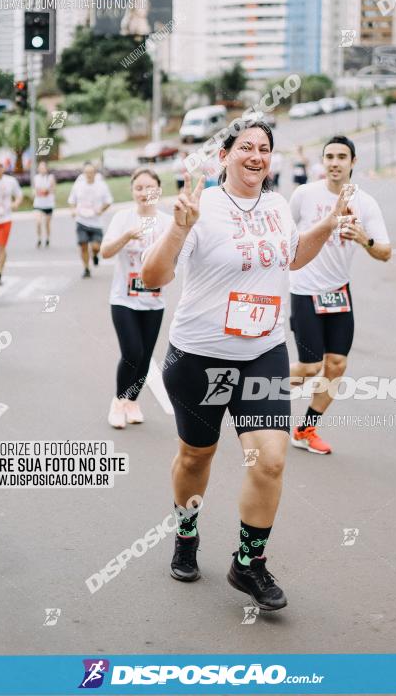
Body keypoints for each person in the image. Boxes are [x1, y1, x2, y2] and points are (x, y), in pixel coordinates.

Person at [142, 120, 350, 611]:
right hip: (199, 356)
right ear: (225, 156)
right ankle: (186, 533)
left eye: (264, 149)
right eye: (246, 148)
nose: (256, 156)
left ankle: (248, 564)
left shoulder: (277, 206)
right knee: (198, 457)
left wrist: (327, 224)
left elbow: (292, 258)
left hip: (262, 353)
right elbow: (154, 276)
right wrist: (179, 227)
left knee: (271, 460)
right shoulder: (201, 207)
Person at [288, 135, 391, 455]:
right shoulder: (304, 195)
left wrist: (364, 239)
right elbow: (285, 237)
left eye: (341, 157)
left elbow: (385, 252)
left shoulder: (366, 203)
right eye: (329, 156)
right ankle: (250, 396)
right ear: (323, 161)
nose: (334, 162)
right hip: (304, 289)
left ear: (353, 162)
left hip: (338, 293)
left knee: (336, 366)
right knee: (309, 367)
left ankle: (305, 430)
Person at [100, 168, 171, 428]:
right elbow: (106, 252)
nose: (144, 193)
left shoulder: (165, 222)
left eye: (149, 187)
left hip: (154, 300)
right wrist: (126, 236)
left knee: (145, 356)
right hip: (123, 299)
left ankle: (132, 401)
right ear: (132, 191)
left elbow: (174, 258)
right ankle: (119, 402)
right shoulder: (122, 218)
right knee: (132, 352)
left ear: (158, 190)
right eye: (139, 188)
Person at [68, 161, 113, 278]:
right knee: (83, 245)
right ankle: (86, 268)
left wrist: (101, 210)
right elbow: (72, 200)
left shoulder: (101, 186)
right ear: (83, 173)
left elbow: (109, 201)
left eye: (91, 172)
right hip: (81, 220)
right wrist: (73, 210)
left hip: (96, 222)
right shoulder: (78, 185)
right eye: (86, 172)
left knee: (96, 247)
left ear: (95, 173)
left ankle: (95, 255)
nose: (89, 174)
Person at [33, 160, 56, 247]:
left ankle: (47, 238)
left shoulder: (50, 177)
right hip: (38, 204)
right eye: (40, 168)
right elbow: (35, 190)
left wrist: (47, 191)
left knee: (47, 223)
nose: (42, 169)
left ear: (46, 169)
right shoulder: (36, 178)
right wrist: (37, 192)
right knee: (38, 222)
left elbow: (53, 189)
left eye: (43, 167)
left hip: (48, 204)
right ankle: (39, 238)